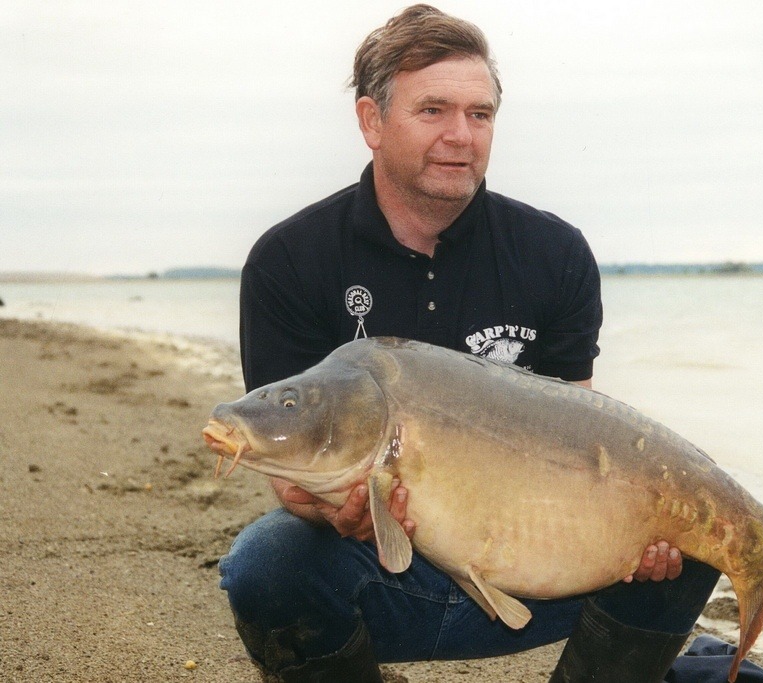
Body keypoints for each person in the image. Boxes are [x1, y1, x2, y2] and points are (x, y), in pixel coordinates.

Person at [218, 5, 720, 682]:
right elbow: (291, 471)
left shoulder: (554, 252)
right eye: (433, 110)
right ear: (371, 121)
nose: (461, 135)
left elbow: (580, 435)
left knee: (695, 535)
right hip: (373, 573)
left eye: (479, 115)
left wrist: (645, 529)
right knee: (266, 564)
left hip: (537, 562)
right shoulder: (289, 259)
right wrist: (333, 506)